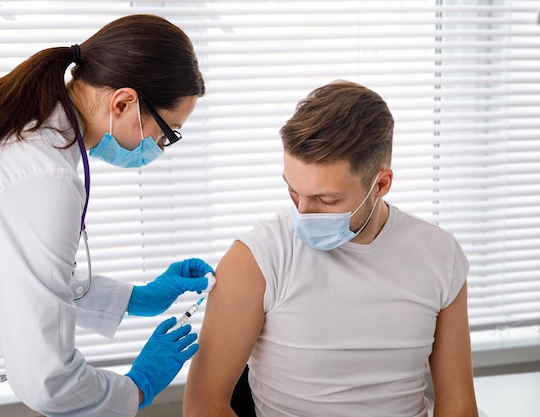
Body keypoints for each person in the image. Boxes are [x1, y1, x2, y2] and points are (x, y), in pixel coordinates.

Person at [0, 14, 214, 417]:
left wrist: (132, 300)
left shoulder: (20, 129)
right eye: (166, 133)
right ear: (123, 102)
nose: (159, 147)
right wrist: (136, 387)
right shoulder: (40, 175)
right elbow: (46, 380)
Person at [183, 80, 479, 417]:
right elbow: (204, 405)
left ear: (380, 184)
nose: (303, 212)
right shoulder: (256, 258)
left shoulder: (440, 256)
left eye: (326, 199)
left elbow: (458, 403)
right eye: (293, 192)